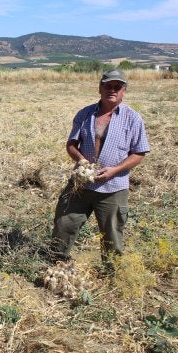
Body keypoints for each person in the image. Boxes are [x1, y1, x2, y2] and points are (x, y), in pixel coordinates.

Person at [51, 69, 150, 269]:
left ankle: (111, 273)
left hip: (113, 186)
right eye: (107, 86)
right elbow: (71, 144)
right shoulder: (85, 114)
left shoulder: (133, 118)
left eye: (117, 87)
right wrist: (80, 160)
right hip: (81, 183)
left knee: (112, 233)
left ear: (123, 91)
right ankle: (56, 266)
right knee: (64, 223)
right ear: (100, 88)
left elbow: (139, 153)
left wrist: (115, 170)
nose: (112, 90)